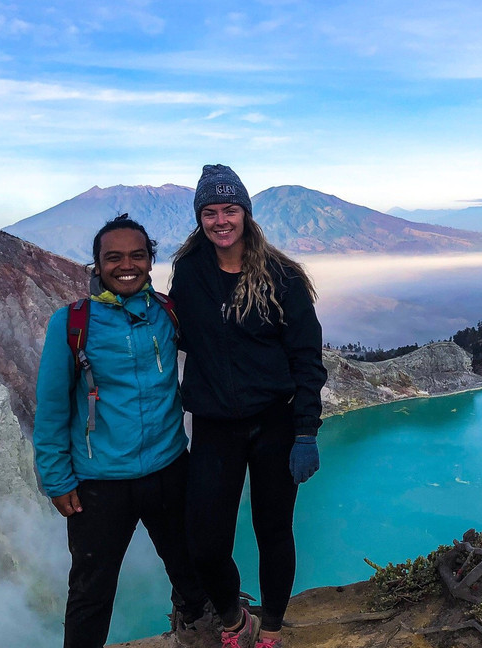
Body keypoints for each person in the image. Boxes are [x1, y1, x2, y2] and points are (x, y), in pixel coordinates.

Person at [34, 215, 214, 648]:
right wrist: (56, 480)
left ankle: (197, 634)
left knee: (191, 570)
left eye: (137, 255)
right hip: (100, 484)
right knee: (91, 592)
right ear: (97, 264)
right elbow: (53, 407)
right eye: (113, 257)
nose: (126, 265)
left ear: (151, 261)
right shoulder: (73, 324)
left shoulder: (166, 313)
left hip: (169, 468)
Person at [171, 165, 327, 648]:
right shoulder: (191, 273)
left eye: (230, 209)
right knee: (206, 541)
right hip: (217, 425)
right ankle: (235, 620)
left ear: (246, 214)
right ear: (200, 218)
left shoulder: (282, 277)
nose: (221, 220)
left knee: (273, 531)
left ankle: (272, 629)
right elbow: (182, 329)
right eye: (211, 211)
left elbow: (306, 358)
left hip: (274, 422)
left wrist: (305, 432)